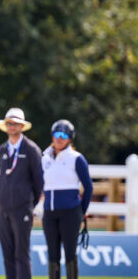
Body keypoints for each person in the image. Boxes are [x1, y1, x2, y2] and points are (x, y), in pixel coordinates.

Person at [0, 107, 43, 279]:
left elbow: (39, 181)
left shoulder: (31, 150)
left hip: (22, 208)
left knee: (21, 254)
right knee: (7, 255)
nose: (12, 126)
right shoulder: (1, 150)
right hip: (4, 208)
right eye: (9, 123)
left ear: (22, 126)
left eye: (15, 123)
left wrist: (30, 203)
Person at [41, 120, 93, 279]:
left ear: (70, 139)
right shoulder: (44, 158)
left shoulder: (76, 158)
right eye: (57, 134)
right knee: (52, 254)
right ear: (52, 136)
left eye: (64, 135)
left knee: (70, 254)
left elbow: (89, 187)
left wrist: (80, 212)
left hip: (70, 213)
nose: (60, 138)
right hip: (49, 214)